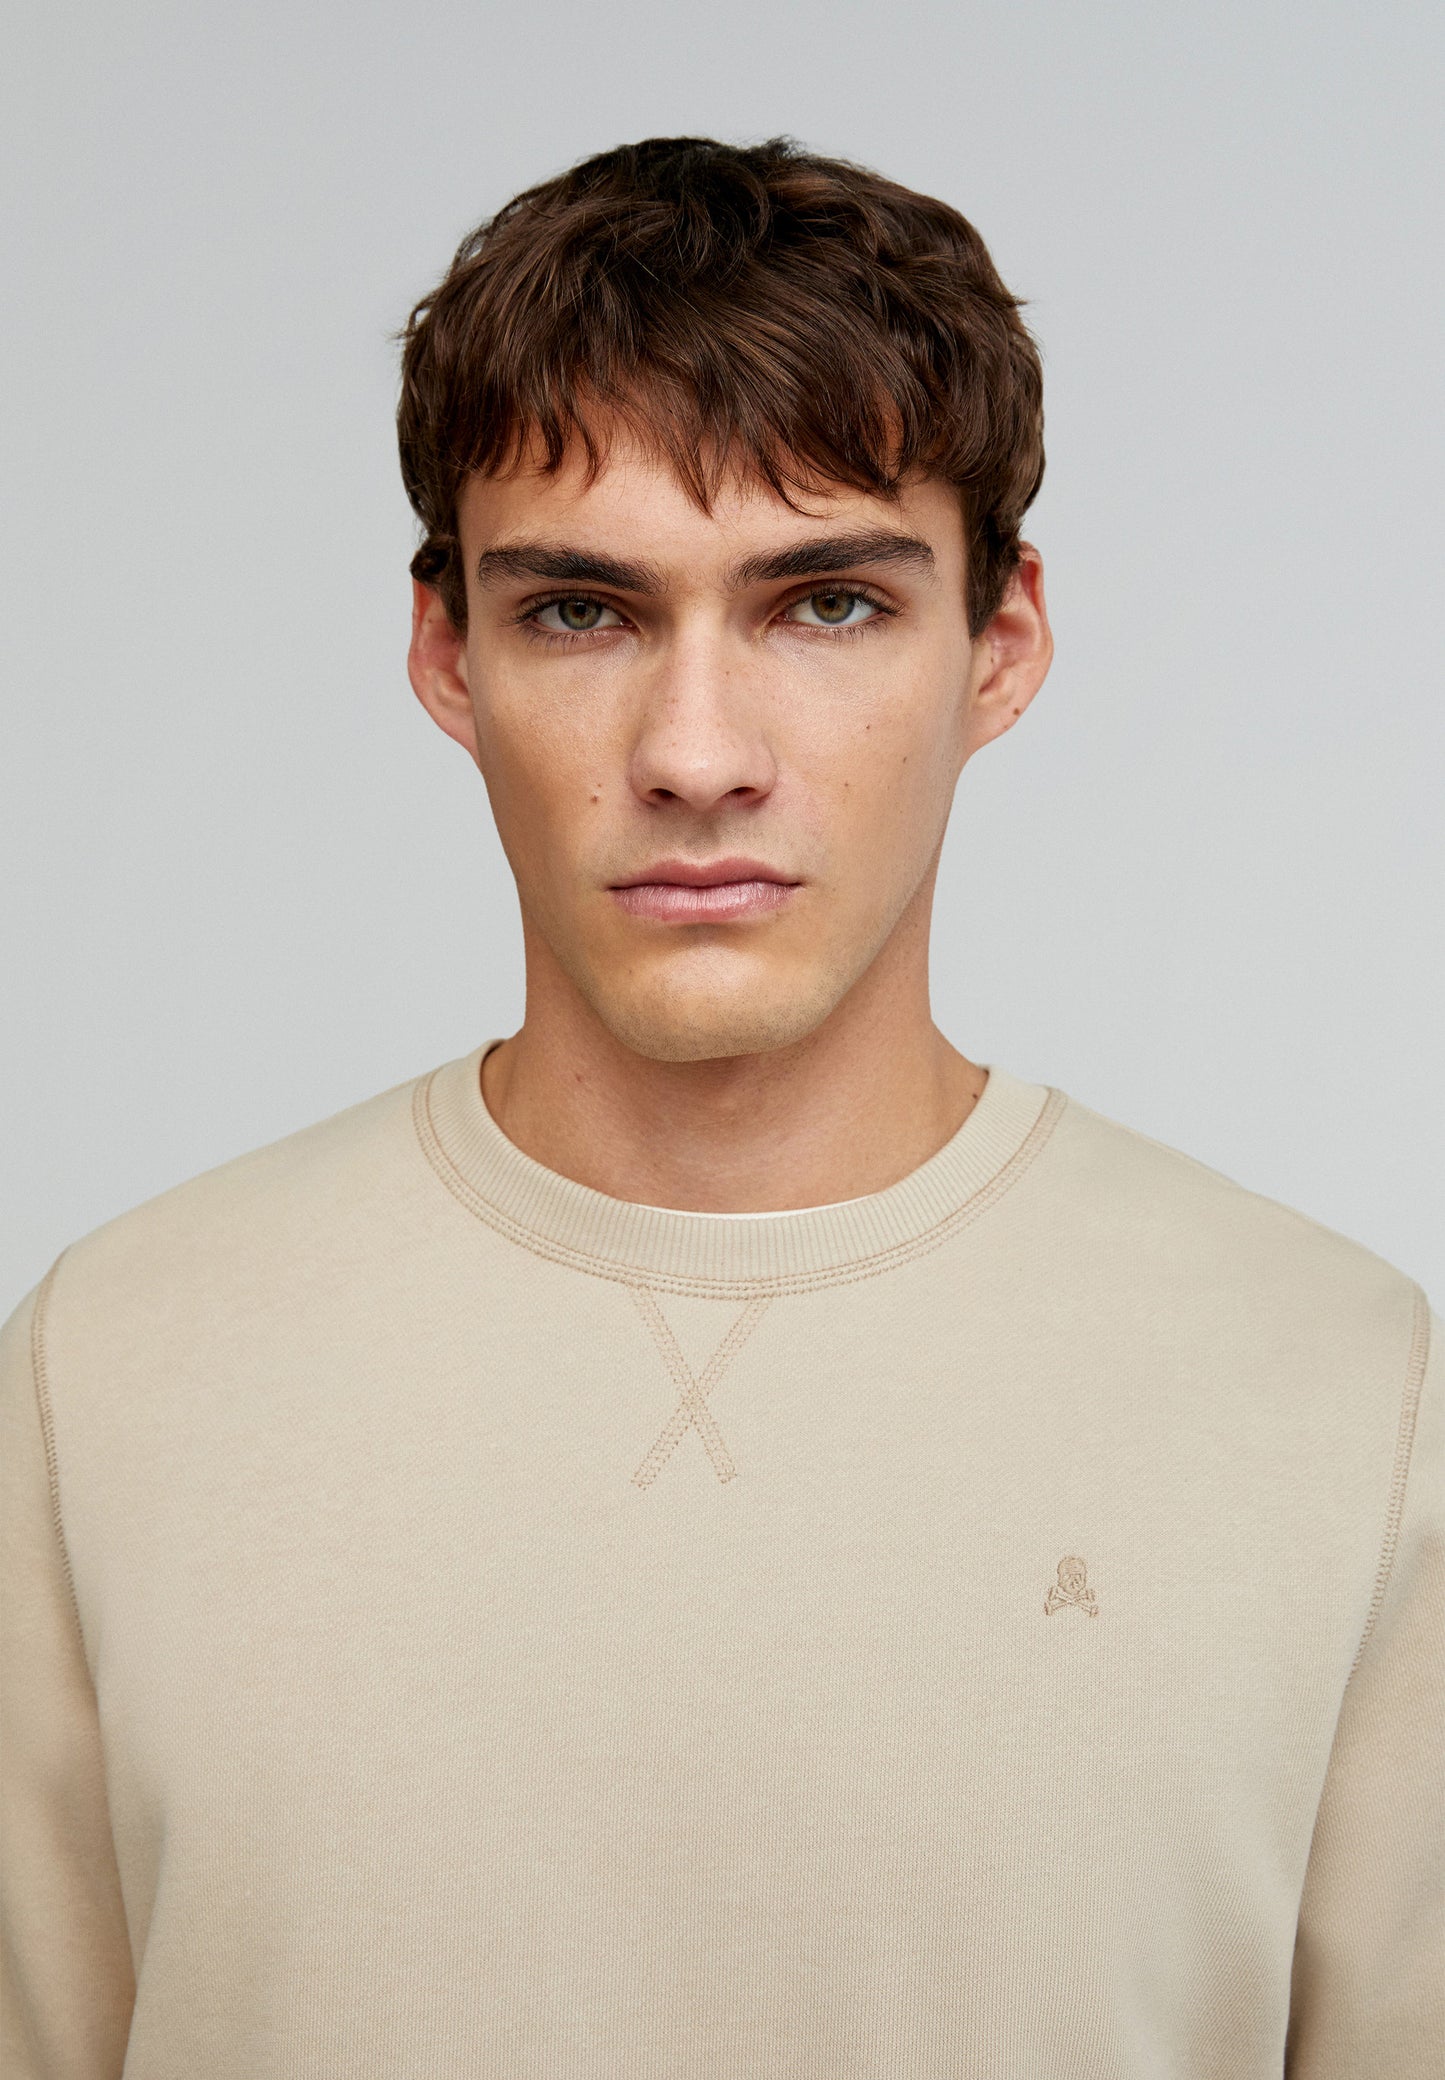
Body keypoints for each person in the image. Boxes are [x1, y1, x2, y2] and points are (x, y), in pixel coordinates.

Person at [1, 135, 1438, 2080]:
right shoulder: (110, 1367)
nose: (695, 755)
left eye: (824, 603)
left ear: (1000, 645)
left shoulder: (1346, 1392)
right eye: (581, 610)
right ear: (446, 652)